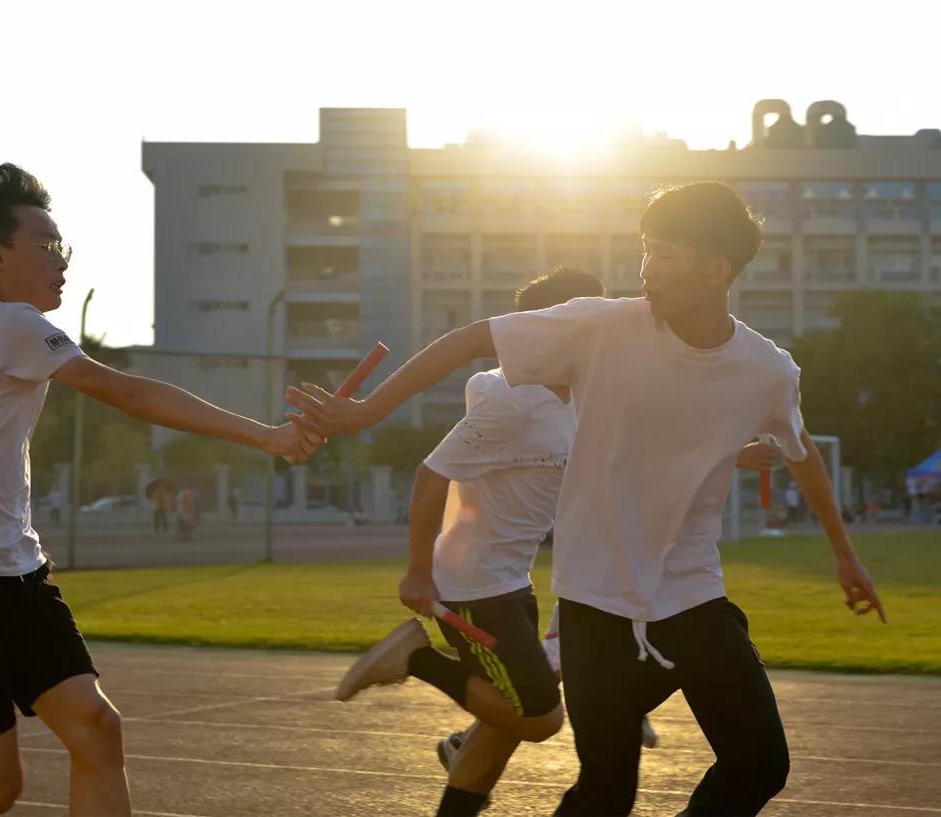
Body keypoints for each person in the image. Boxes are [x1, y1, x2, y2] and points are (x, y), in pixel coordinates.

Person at [286, 181, 884, 817]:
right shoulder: (602, 326)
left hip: (692, 595)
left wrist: (844, 554)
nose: (647, 269)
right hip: (596, 607)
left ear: (717, 269)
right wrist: (366, 411)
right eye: (645, 249)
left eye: (665, 254)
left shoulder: (766, 369)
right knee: (605, 792)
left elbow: (799, 449)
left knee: (760, 763)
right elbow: (471, 340)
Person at [0, 163, 319, 817]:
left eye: (62, 245)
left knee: (98, 731)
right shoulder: (12, 325)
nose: (61, 260)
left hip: (19, 575)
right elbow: (130, 395)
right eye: (46, 245)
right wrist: (267, 436)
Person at [335, 268, 780, 816]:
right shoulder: (511, 402)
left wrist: (734, 453)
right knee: (539, 717)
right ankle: (416, 659)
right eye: (592, 318)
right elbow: (432, 475)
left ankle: (472, 747)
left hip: (512, 579)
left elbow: (642, 451)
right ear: (552, 329)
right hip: (472, 585)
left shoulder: (583, 398)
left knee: (501, 729)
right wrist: (417, 571)